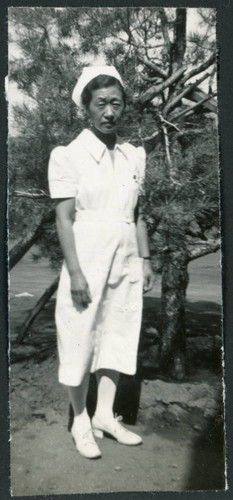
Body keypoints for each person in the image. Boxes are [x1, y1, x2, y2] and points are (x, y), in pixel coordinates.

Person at [48, 66, 154, 459]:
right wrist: (75, 272)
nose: (110, 112)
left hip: (126, 255)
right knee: (80, 336)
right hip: (87, 256)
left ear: (124, 106)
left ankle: (106, 416)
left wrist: (144, 259)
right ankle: (80, 419)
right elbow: (64, 218)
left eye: (116, 103)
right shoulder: (68, 156)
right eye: (101, 104)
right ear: (86, 108)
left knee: (118, 333)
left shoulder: (133, 155)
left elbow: (139, 214)